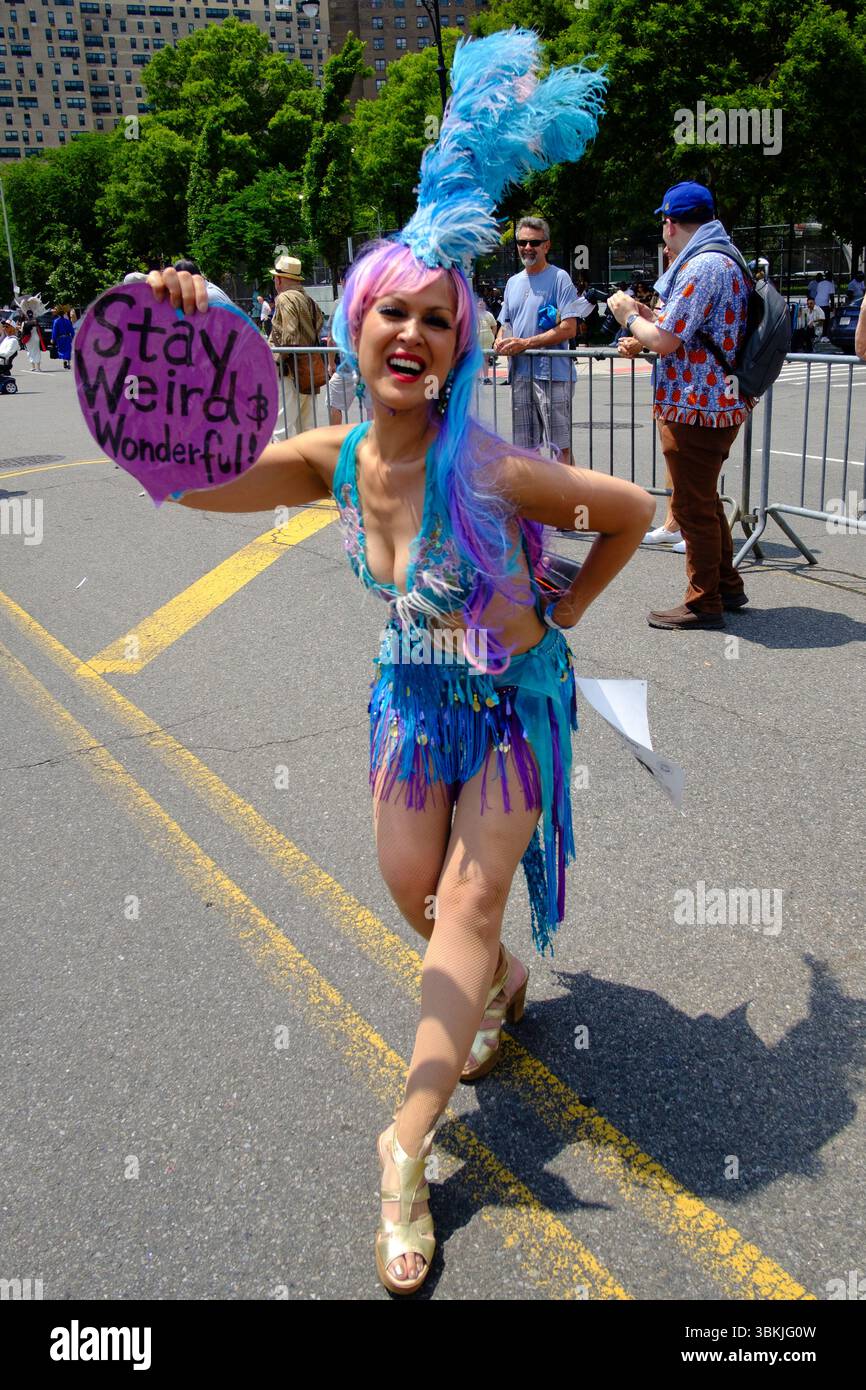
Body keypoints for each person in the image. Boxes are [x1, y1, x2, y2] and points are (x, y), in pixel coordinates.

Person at [149, 31, 649, 1296]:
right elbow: (203, 472)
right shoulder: (326, 456)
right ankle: (499, 983)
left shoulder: (489, 466)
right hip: (415, 699)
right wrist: (178, 345)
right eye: (393, 310)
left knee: (468, 906)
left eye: (439, 317)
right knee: (413, 893)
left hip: (512, 707)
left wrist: (565, 615)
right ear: (358, 323)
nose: (413, 331)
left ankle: (404, 1146)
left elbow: (632, 511)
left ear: (458, 344)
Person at [610, 179, 753, 628]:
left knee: (691, 507)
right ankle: (726, 587)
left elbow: (668, 340)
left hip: (696, 405)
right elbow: (681, 329)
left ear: (671, 223)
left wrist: (628, 316)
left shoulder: (702, 266)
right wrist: (645, 325)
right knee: (704, 499)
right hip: (714, 401)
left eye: (664, 222)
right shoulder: (722, 258)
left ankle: (702, 601)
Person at [494, 216, 580, 466]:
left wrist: (525, 344)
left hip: (553, 375)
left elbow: (569, 328)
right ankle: (536, 503)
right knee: (525, 450)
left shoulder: (560, 278)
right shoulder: (512, 282)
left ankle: (568, 501)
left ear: (546, 246)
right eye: (522, 242)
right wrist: (501, 341)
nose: (527, 247)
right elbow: (505, 325)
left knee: (560, 448)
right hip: (520, 375)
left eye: (534, 242)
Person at [267, 252, 325, 440]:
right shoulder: (309, 300)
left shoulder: (284, 299)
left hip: (289, 373)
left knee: (280, 429)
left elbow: (289, 338)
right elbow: (318, 329)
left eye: (275, 277)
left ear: (280, 279)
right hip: (308, 372)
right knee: (308, 430)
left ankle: (280, 469)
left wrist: (275, 362)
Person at [476, 295, 497, 383]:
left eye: (482, 304)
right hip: (477, 338)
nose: (480, 305)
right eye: (479, 304)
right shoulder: (473, 314)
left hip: (487, 337)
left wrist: (492, 336)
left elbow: (494, 326)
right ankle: (478, 378)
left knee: (485, 359)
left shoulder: (489, 314)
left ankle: (485, 378)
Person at [51, 306, 74, 370]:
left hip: (60, 338)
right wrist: (73, 336)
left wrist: (53, 339)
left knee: (62, 350)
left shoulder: (56, 321)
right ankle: (68, 363)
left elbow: (54, 331)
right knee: (68, 350)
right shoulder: (68, 321)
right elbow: (71, 330)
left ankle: (65, 362)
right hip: (68, 338)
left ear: (58, 314)